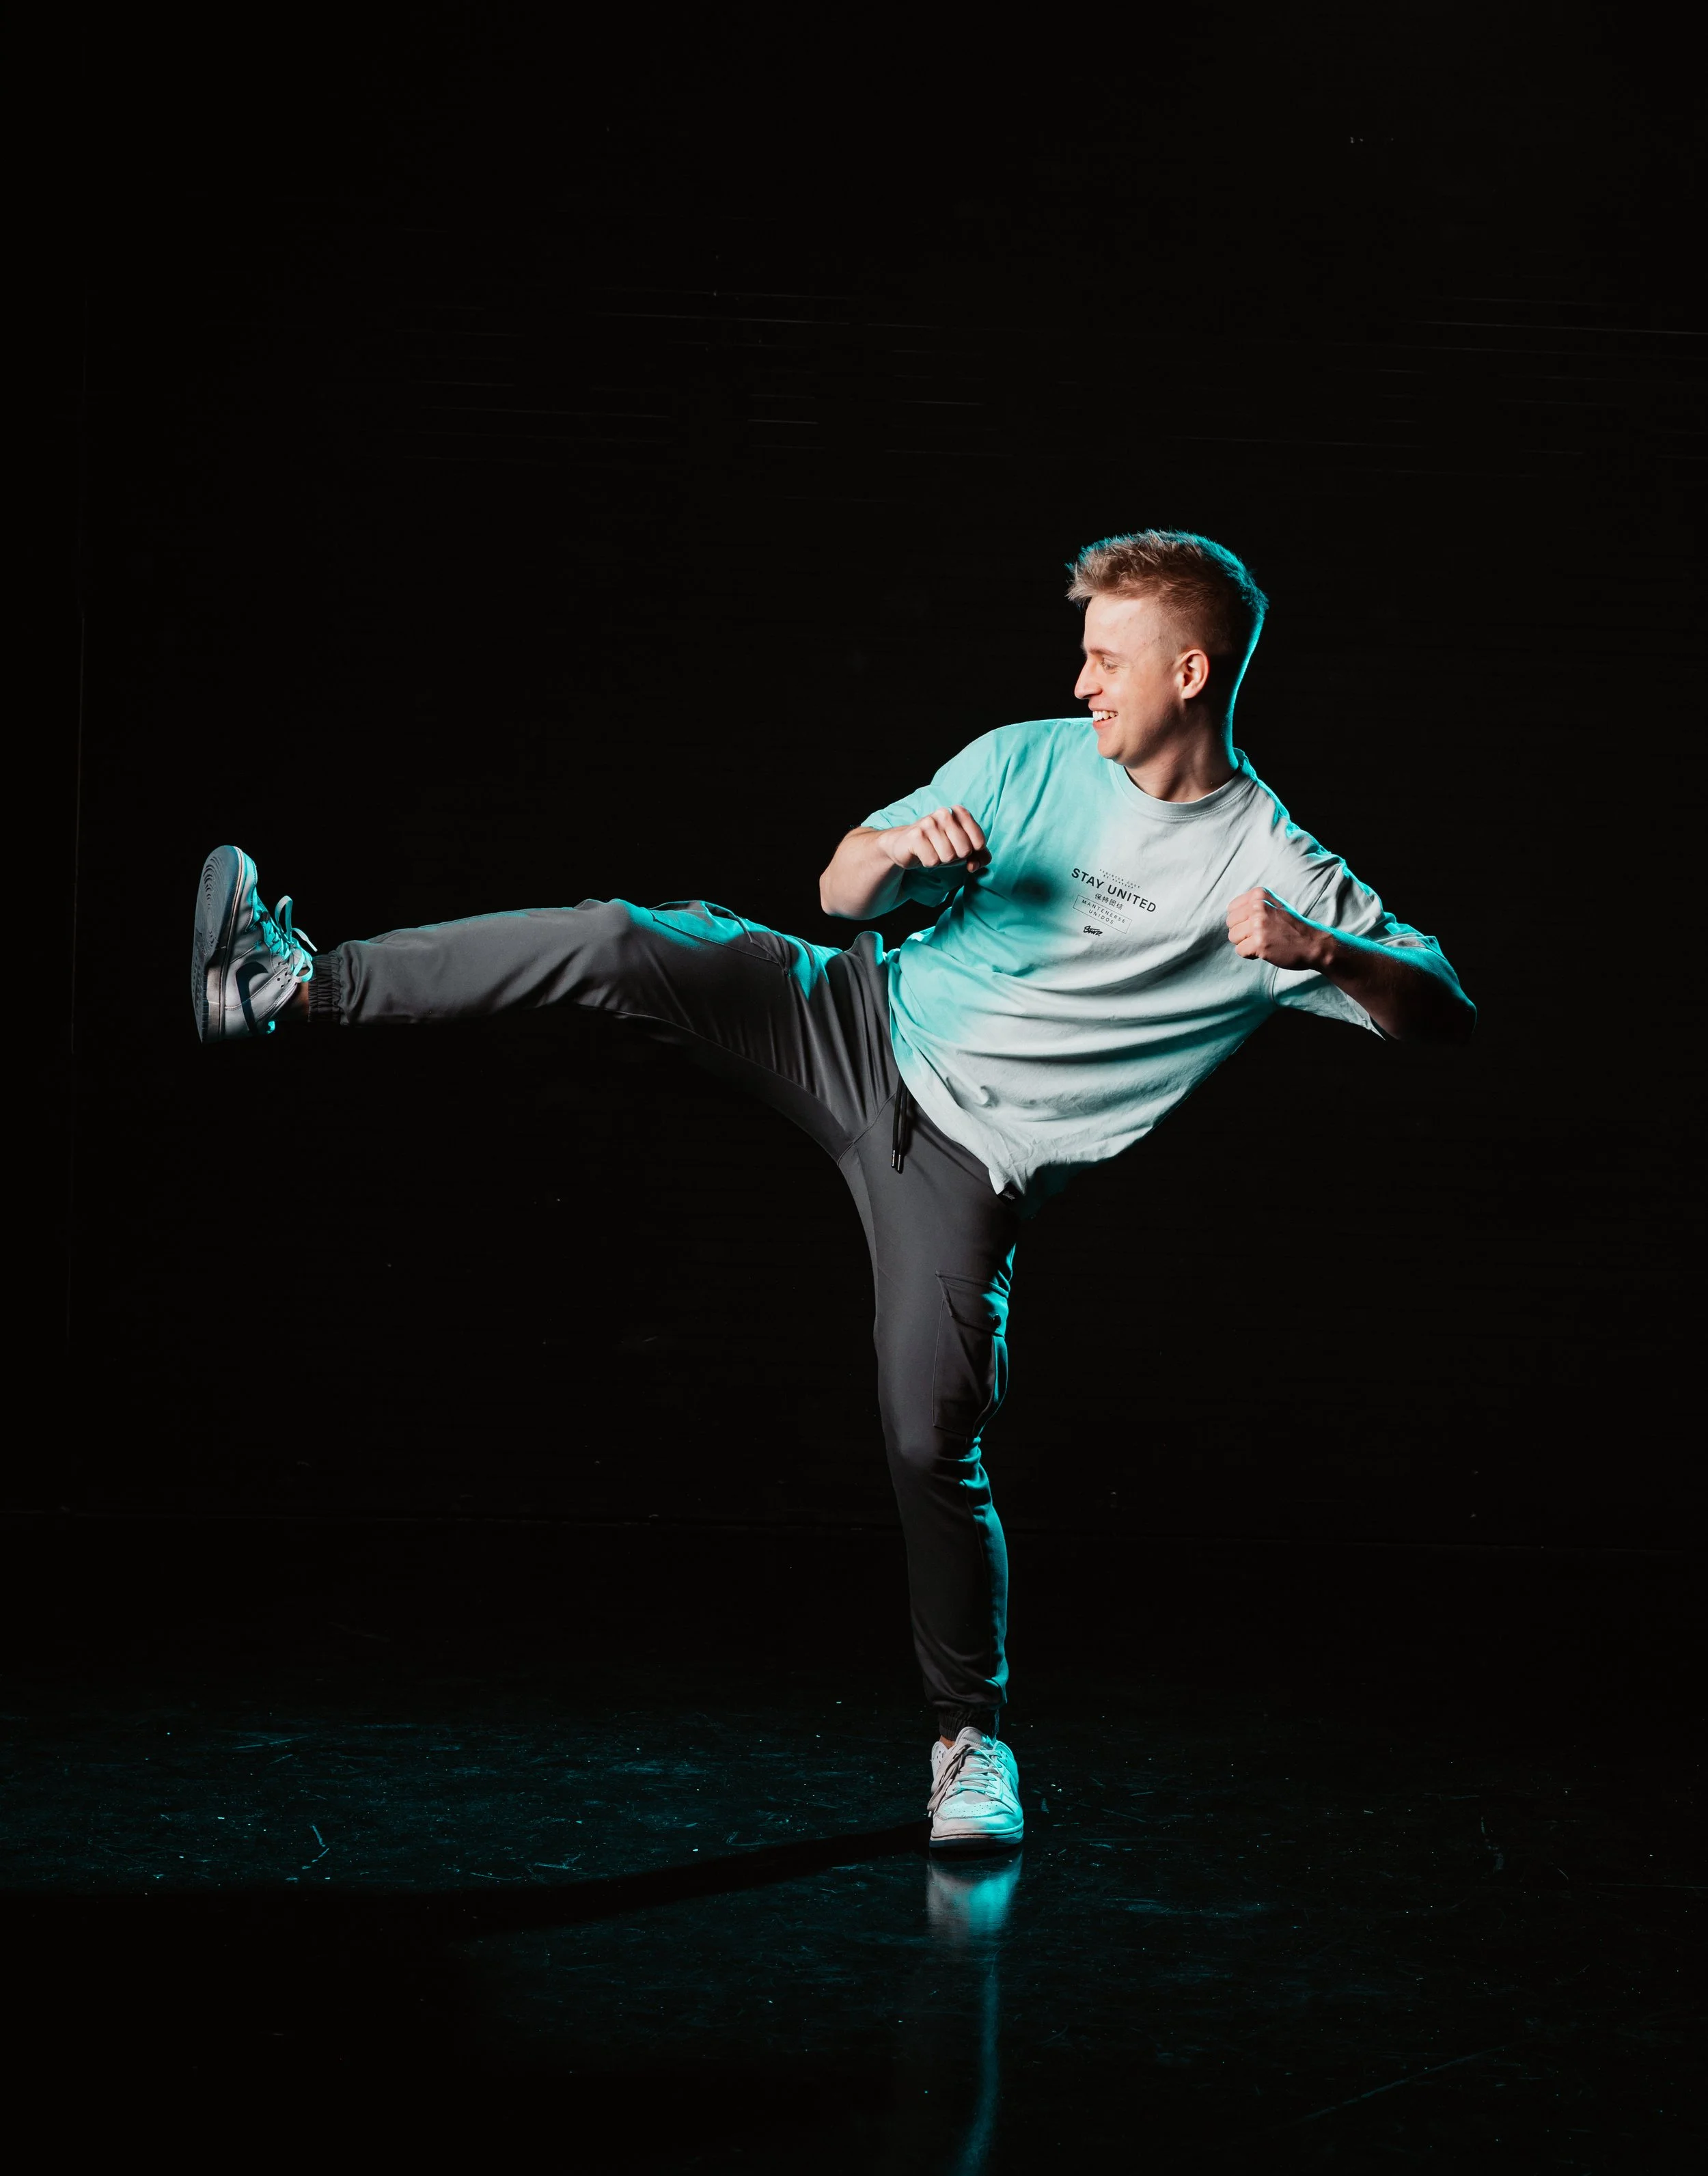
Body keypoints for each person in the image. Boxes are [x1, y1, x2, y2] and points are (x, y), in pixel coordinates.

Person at [189, 529, 1474, 1849]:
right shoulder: (1030, 756)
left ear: (1190, 673)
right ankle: (292, 985)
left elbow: (1447, 1009)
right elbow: (839, 885)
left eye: (1106, 659)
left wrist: (1325, 952)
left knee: (929, 1435)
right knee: (624, 941)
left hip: (967, 1165)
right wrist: (901, 853)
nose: (1081, 680)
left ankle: (970, 1744)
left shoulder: (1270, 864)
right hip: (854, 1017)